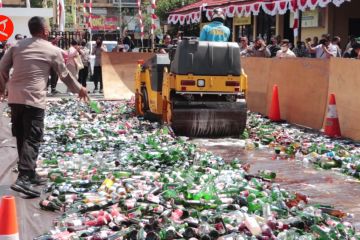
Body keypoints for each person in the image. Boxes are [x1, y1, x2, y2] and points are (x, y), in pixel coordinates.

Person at [0, 16, 88, 198]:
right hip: (34, 99)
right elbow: (64, 75)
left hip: (15, 98)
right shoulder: (52, 50)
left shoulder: (16, 47)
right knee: (32, 138)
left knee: (22, 135)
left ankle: (29, 173)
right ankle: (24, 178)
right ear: (45, 31)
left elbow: (2, 67)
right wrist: (79, 89)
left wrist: (2, 88)